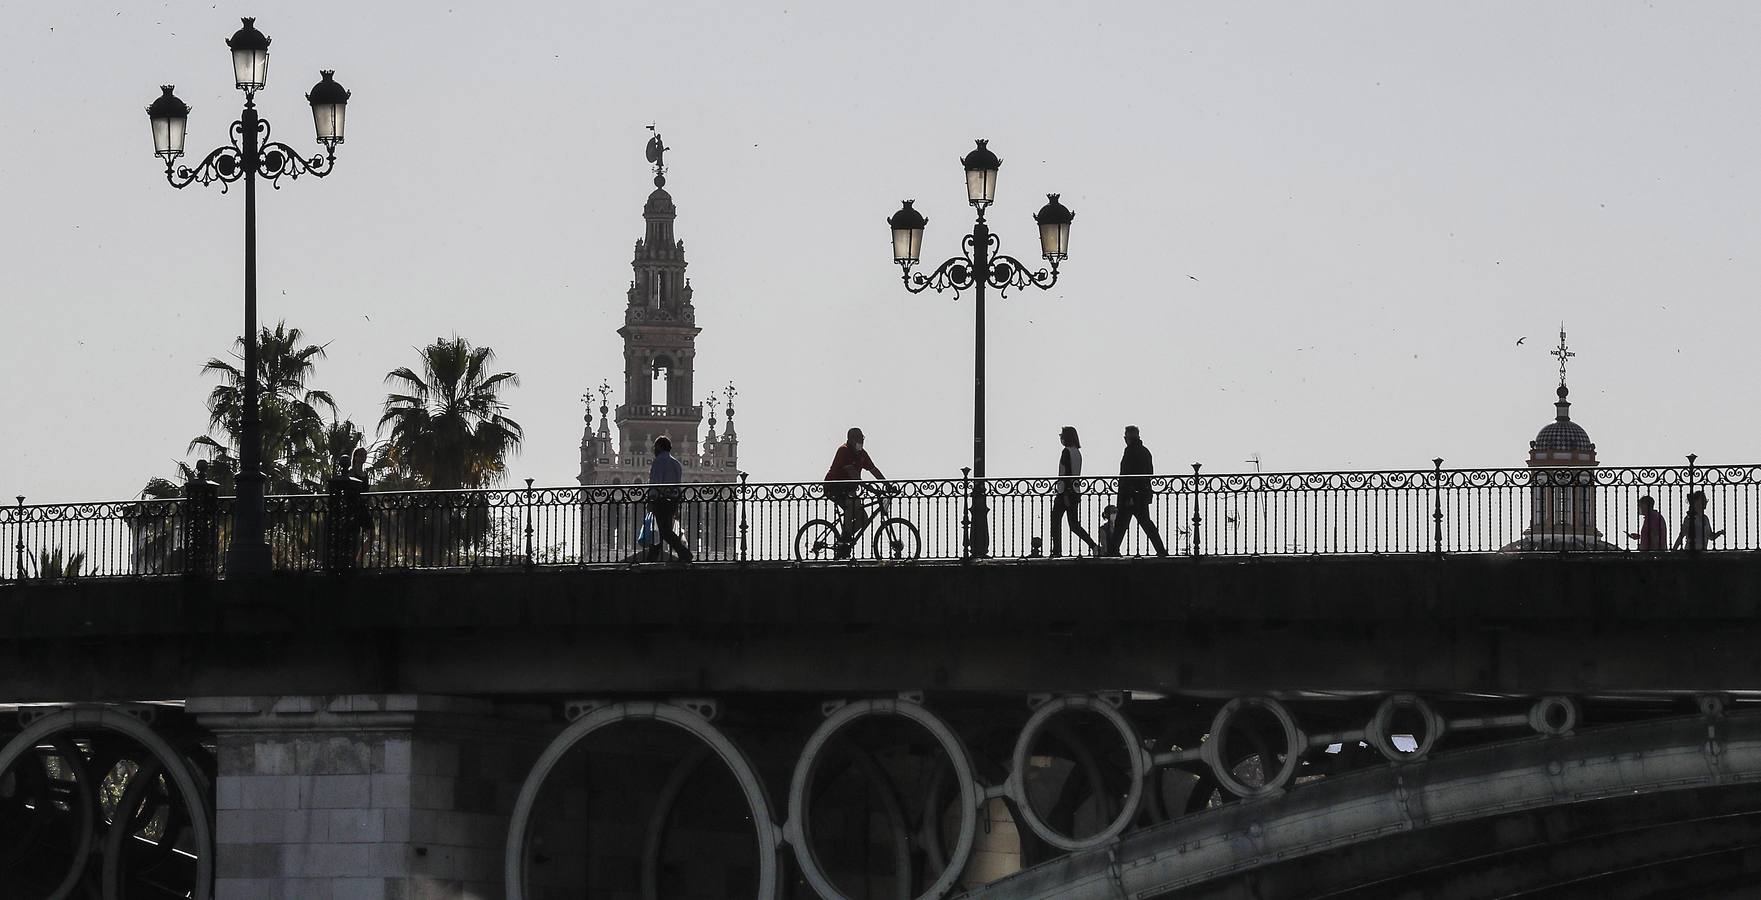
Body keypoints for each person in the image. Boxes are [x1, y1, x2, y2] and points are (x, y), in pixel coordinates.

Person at [1105, 425, 1169, 557]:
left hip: (1130, 495)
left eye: (1125, 436)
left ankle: (1113, 550)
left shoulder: (1130, 451)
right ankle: (1161, 550)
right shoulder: (1145, 451)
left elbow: (1128, 475)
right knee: (1145, 523)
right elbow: (1148, 473)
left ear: (1128, 437)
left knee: (1121, 524)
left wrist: (1129, 495)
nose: (1124, 438)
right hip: (1141, 494)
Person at [824, 427, 887, 557]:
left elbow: (874, 470)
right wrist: (873, 490)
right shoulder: (844, 451)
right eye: (858, 439)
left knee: (863, 519)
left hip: (848, 489)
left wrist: (887, 484)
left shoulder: (862, 454)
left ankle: (844, 540)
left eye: (862, 439)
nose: (861, 442)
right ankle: (844, 539)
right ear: (851, 440)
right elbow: (855, 476)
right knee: (852, 503)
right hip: (834, 488)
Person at [1049, 426, 1100, 557]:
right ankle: (1093, 545)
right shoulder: (1077, 452)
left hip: (1065, 492)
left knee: (1055, 521)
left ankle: (1056, 551)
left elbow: (1066, 474)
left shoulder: (1066, 452)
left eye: (1062, 435)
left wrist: (1064, 493)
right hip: (1075, 491)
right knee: (1074, 525)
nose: (1060, 437)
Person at [643, 436, 692, 563]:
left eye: (655, 447)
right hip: (673, 500)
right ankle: (653, 556)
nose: (654, 450)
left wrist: (651, 501)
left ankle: (684, 552)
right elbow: (678, 485)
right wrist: (676, 504)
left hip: (661, 500)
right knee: (663, 530)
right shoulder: (676, 463)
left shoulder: (658, 461)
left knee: (663, 531)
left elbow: (656, 483)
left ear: (659, 447)